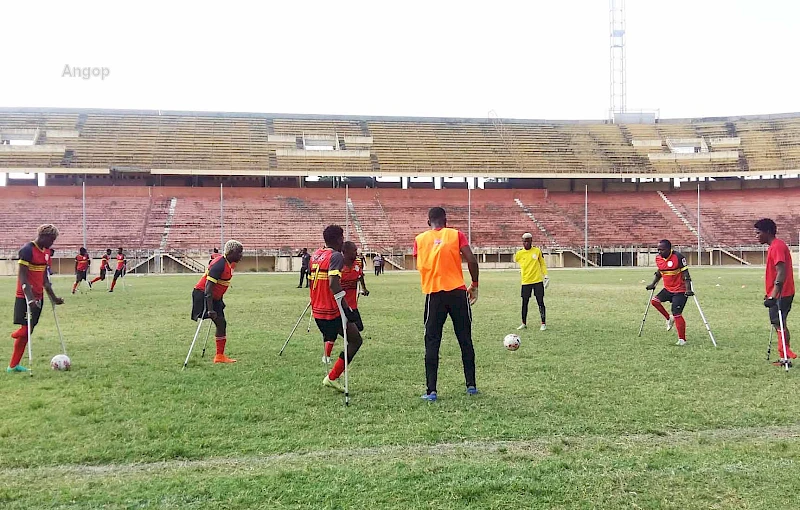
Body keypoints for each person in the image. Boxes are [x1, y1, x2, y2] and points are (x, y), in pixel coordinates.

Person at [414, 207, 479, 401]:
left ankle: (431, 390)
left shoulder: (419, 240)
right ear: (446, 220)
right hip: (458, 293)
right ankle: (471, 386)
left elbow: (421, 264)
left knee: (432, 341)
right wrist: (474, 284)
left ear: (428, 221)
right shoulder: (456, 234)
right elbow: (472, 260)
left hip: (434, 295)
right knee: (465, 339)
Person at [310, 225, 364, 392]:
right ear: (339, 239)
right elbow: (334, 284)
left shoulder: (316, 255)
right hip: (332, 311)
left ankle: (332, 375)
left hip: (317, 309)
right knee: (355, 341)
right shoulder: (336, 256)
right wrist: (346, 309)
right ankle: (332, 377)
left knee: (350, 337)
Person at [7, 224, 65, 373]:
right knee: (25, 330)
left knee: (28, 331)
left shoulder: (46, 253)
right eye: (51, 240)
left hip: (38, 296)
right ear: (43, 236)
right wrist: (30, 299)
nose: (52, 243)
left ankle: (13, 366)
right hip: (25, 297)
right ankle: (13, 336)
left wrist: (54, 298)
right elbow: (23, 277)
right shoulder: (27, 250)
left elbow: (45, 279)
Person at [191, 240, 244, 364]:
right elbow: (208, 288)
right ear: (231, 252)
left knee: (222, 323)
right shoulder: (219, 264)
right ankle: (219, 356)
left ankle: (219, 356)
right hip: (203, 295)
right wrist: (210, 309)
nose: (241, 255)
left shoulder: (230, 263)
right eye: (239, 252)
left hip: (216, 298)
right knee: (219, 321)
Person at [755, 218, 797, 366]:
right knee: (779, 323)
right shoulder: (774, 246)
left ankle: (786, 356)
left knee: (779, 323)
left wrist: (774, 294)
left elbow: (781, 271)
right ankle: (784, 356)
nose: (756, 236)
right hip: (780, 292)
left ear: (767, 232)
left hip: (782, 293)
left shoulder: (777, 246)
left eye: (758, 233)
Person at [645, 239, 694, 346]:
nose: (659, 252)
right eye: (658, 250)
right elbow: (659, 272)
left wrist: (688, 289)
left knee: (677, 313)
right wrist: (653, 284)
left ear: (669, 249)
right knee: (655, 301)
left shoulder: (678, 257)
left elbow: (686, 274)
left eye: (661, 250)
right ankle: (668, 318)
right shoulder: (658, 258)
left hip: (680, 290)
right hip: (668, 289)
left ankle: (682, 339)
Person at [513, 232, 549, 331]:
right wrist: (521, 270)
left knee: (540, 302)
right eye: (525, 241)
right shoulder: (519, 254)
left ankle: (543, 323)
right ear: (522, 242)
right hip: (525, 282)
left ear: (531, 241)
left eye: (528, 241)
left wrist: (545, 275)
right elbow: (518, 262)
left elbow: (542, 264)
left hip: (537, 281)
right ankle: (523, 323)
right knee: (525, 303)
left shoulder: (537, 251)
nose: (527, 243)